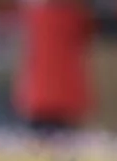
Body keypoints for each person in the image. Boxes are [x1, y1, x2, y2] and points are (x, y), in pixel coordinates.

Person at [15, 0, 93, 133]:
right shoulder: (76, 15)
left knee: (37, 146)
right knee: (66, 144)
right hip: (66, 92)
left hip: (39, 93)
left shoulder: (33, 15)